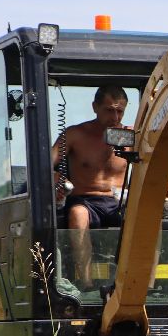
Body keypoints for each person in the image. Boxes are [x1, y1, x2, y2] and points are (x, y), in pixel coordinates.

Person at [53, 84, 131, 286]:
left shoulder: (133, 137)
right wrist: (57, 177)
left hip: (120, 201)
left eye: (119, 111)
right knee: (77, 215)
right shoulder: (75, 134)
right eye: (109, 110)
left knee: (146, 215)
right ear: (95, 107)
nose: (114, 117)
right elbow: (45, 164)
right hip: (85, 201)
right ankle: (86, 284)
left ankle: (143, 287)